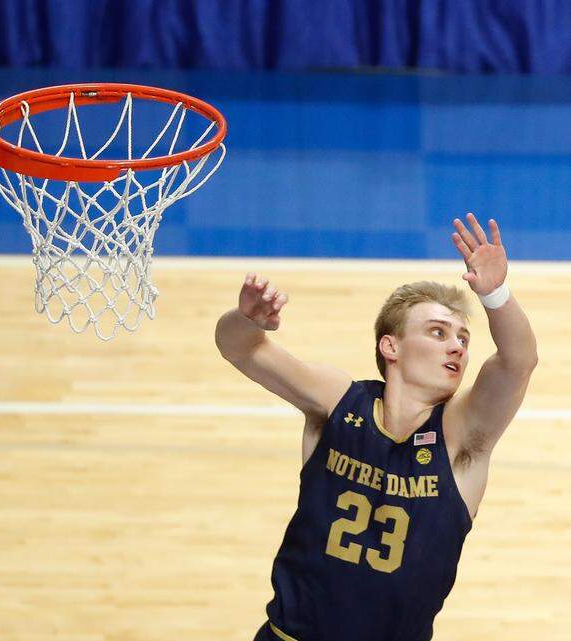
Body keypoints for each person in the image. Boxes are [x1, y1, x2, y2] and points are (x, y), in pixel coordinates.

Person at [216, 214, 537, 641]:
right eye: (438, 332)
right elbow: (238, 347)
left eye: (462, 338)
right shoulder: (338, 401)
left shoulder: (460, 437)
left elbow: (518, 362)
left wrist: (496, 295)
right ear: (391, 346)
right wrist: (246, 318)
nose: (456, 346)